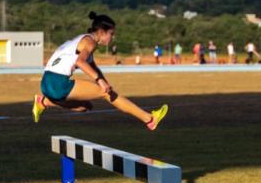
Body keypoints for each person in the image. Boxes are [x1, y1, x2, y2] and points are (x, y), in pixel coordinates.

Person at [33, 12, 168, 130]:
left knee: (84, 107)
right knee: (106, 94)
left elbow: (94, 67)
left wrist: (104, 82)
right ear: (102, 32)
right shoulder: (89, 42)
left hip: (46, 83)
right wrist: (101, 83)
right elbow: (80, 62)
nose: (112, 37)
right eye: (111, 34)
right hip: (58, 83)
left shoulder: (83, 39)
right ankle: (149, 119)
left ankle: (43, 102)